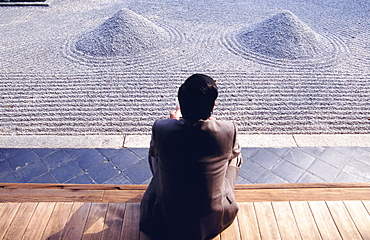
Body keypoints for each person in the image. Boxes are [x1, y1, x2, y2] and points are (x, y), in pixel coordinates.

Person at [140, 74, 242, 240]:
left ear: (181, 104)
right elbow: (233, 154)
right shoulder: (228, 130)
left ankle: (163, 185)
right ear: (213, 105)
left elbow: (157, 152)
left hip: (164, 215)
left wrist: (173, 123)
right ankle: (222, 193)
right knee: (234, 157)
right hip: (213, 216)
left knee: (156, 153)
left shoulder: (161, 128)